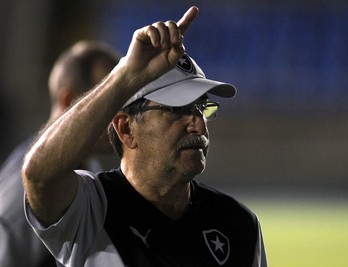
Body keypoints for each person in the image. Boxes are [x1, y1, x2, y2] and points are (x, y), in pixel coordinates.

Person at [22, 6, 267, 267]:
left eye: (201, 108)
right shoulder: (92, 209)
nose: (197, 123)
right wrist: (125, 75)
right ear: (126, 129)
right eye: (177, 110)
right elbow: (39, 176)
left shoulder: (239, 225)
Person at [0, 40, 120, 267]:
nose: (118, 115)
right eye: (104, 100)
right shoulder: (22, 189)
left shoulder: (89, 167)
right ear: (68, 100)